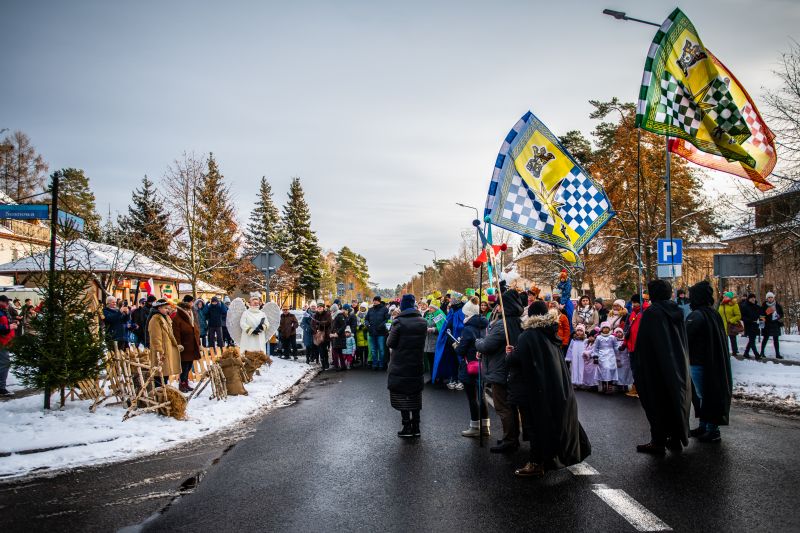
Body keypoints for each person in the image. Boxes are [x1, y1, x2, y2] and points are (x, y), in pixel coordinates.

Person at [507, 301, 591, 477]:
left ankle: (536, 463)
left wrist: (510, 353)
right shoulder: (550, 333)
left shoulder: (528, 335)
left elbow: (516, 360)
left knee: (534, 425)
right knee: (549, 423)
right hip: (551, 388)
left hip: (533, 390)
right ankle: (547, 458)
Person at [631, 280, 691, 455]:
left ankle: (658, 441)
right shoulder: (676, 311)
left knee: (656, 402)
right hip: (677, 364)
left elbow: (645, 344)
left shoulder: (652, 313)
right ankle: (675, 437)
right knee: (674, 400)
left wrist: (639, 366)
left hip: (656, 367)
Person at [475, 289, 524, 453]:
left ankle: (510, 440)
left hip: (501, 369)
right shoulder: (517, 321)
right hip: (510, 368)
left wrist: (478, 342)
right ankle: (511, 437)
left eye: (499, 305)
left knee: (503, 407)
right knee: (510, 407)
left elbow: (487, 345)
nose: (497, 307)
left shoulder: (503, 324)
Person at [686, 281, 732, 443]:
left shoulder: (697, 315)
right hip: (710, 361)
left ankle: (712, 429)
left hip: (699, 362)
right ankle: (705, 425)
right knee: (704, 395)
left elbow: (686, 337)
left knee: (704, 395)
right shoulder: (712, 313)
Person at [387, 294, 427, 438]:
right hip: (416, 363)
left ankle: (406, 427)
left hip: (400, 364)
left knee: (402, 395)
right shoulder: (423, 322)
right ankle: (416, 427)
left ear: (403, 305)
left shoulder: (398, 322)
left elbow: (390, 343)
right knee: (415, 395)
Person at [456, 296, 490, 438]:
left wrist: (457, 344)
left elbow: (460, 350)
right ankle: (486, 427)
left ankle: (475, 426)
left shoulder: (468, 329)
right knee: (482, 397)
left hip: (470, 366)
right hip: (483, 365)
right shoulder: (485, 327)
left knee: (472, 398)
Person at [147, 299, 182, 386]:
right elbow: (155, 338)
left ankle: (163, 390)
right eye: (165, 308)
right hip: (161, 352)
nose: (168, 310)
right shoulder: (155, 320)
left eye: (168, 308)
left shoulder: (165, 318)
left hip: (167, 349)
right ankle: (159, 393)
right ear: (159, 308)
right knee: (159, 375)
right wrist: (160, 351)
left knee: (165, 374)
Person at [173, 295, 202, 393]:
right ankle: (182, 384)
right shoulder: (178, 318)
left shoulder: (191, 316)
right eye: (188, 309)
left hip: (191, 345)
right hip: (185, 346)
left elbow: (196, 330)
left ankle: (185, 382)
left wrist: (199, 343)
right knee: (184, 366)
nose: (190, 310)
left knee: (189, 365)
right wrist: (179, 344)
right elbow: (176, 333)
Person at [420, 300, 446, 382]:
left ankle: (438, 377)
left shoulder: (439, 315)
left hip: (435, 342)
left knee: (436, 361)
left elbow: (442, 328)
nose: (430, 309)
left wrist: (433, 329)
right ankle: (432, 378)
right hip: (428, 341)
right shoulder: (427, 314)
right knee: (430, 360)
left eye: (432, 308)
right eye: (430, 307)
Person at [592, 322, 618, 394]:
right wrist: (595, 356)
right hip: (602, 355)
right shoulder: (598, 338)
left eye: (607, 328)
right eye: (604, 328)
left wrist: (618, 353)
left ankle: (610, 385)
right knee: (603, 369)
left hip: (611, 355)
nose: (606, 329)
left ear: (609, 329)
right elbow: (595, 348)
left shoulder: (612, 337)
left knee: (611, 369)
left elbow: (615, 346)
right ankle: (603, 385)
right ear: (601, 329)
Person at [365, 296, 390, 371]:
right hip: (372, 332)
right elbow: (366, 319)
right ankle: (375, 364)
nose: (374, 302)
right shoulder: (370, 310)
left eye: (376, 300)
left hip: (381, 333)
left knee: (381, 350)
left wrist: (381, 326)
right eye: (374, 300)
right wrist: (368, 325)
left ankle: (381, 364)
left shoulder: (385, 309)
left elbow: (387, 319)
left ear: (379, 301)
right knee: (373, 350)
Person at [0, 295, 18, 396]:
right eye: (6, 303)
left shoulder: (4, 311)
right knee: (4, 363)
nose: (8, 305)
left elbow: (6, 322)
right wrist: (8, 326)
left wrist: (13, 322)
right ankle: (1, 388)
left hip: (5, 340)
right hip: (1, 341)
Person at [760, 292, 784, 359]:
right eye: (769, 297)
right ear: (767, 298)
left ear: (773, 298)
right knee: (765, 339)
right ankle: (762, 352)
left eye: (771, 297)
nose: (770, 299)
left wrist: (778, 316)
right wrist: (762, 325)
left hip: (775, 324)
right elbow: (761, 315)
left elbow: (782, 314)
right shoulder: (764, 305)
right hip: (767, 325)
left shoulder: (777, 305)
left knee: (776, 340)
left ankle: (777, 354)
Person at [718, 291, 742, 356]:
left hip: (731, 325)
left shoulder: (734, 304)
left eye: (727, 296)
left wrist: (731, 320)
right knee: (724, 340)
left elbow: (738, 316)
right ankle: (726, 352)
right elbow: (719, 314)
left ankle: (734, 352)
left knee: (733, 339)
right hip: (723, 325)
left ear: (730, 298)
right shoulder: (721, 304)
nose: (725, 297)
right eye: (725, 296)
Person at [739, 293, 761, 359]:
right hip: (748, 325)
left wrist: (761, 320)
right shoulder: (744, 306)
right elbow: (742, 317)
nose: (753, 299)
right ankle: (756, 354)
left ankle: (746, 353)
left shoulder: (757, 306)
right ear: (749, 299)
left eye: (754, 298)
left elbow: (761, 314)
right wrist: (749, 320)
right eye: (751, 298)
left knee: (752, 340)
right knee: (752, 340)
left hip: (755, 325)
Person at [312, 301, 332, 370]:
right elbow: (312, 324)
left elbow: (329, 322)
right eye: (318, 307)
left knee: (325, 350)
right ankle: (323, 364)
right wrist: (315, 330)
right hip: (318, 336)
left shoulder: (327, 314)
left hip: (326, 335)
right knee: (320, 350)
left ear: (323, 308)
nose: (319, 308)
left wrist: (320, 323)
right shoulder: (315, 315)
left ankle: (326, 363)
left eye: (321, 307)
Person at [565, 324, 587, 388]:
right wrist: (568, 357)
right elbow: (570, 349)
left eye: (581, 331)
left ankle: (581, 382)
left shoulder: (585, 340)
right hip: (574, 356)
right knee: (574, 368)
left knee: (582, 368)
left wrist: (587, 355)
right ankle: (574, 382)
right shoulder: (573, 340)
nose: (579, 332)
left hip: (582, 357)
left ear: (583, 332)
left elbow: (587, 348)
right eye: (578, 330)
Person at [614, 327, 633, 391]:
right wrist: (617, 359)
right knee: (619, 373)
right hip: (618, 359)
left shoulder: (625, 341)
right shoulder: (614, 341)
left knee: (626, 373)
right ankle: (619, 385)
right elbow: (615, 351)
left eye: (620, 332)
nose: (619, 334)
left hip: (626, 359)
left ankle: (625, 385)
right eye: (617, 332)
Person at [330, 304, 347, 371]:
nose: (331, 312)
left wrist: (337, 333)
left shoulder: (339, 316)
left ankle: (337, 366)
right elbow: (333, 326)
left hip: (339, 336)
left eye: (331, 310)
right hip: (334, 336)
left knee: (335, 352)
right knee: (339, 352)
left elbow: (343, 326)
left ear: (334, 310)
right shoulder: (334, 316)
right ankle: (343, 366)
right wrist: (330, 333)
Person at [355, 303, 369, 367]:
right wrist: (358, 327)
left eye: (363, 308)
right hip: (359, 334)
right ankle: (361, 361)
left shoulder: (368, 315)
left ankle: (366, 361)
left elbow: (369, 324)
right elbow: (354, 325)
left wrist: (366, 327)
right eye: (361, 308)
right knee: (360, 349)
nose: (362, 309)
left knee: (366, 349)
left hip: (366, 334)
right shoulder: (356, 315)